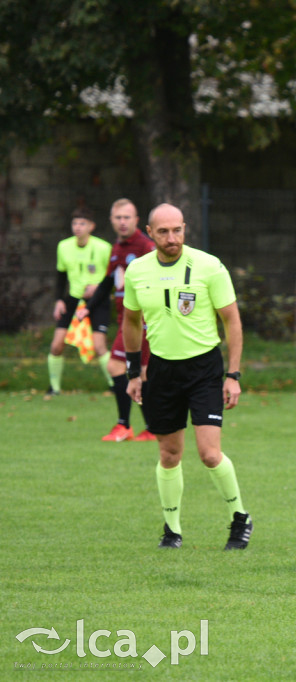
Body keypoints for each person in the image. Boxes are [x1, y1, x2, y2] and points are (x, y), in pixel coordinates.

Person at [122, 203, 252, 550]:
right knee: (169, 454)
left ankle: (240, 518)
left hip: (204, 368)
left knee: (209, 453)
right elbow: (132, 322)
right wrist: (134, 371)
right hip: (161, 370)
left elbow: (232, 321)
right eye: (163, 232)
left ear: (185, 229)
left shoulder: (209, 266)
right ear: (150, 233)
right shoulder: (137, 271)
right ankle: (172, 530)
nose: (171, 238)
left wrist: (233, 374)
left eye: (177, 230)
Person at [80, 198, 156, 441]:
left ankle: (125, 425)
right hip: (127, 319)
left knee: (118, 366)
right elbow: (106, 283)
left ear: (136, 220)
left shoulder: (145, 246)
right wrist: (87, 309)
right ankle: (152, 427)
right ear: (112, 221)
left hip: (140, 321)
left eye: (127, 217)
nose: (123, 222)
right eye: (118, 218)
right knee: (141, 373)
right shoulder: (117, 247)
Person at [45, 206, 113, 396]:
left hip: (98, 301)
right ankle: (54, 388)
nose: (78, 227)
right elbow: (60, 276)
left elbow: (113, 277)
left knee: (100, 346)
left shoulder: (103, 248)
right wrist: (59, 300)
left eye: (82, 223)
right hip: (73, 299)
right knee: (57, 344)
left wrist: (98, 287)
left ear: (91, 226)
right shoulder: (64, 246)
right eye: (75, 223)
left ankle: (115, 385)